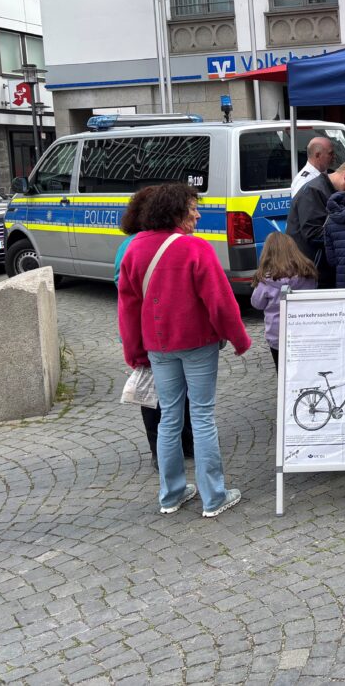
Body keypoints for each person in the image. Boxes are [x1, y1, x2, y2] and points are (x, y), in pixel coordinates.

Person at [118, 183, 252, 518]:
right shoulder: (196, 249)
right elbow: (220, 303)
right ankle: (213, 497)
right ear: (177, 211)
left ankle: (171, 494)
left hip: (158, 346)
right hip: (197, 344)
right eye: (193, 207)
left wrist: (135, 351)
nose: (197, 213)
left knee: (169, 419)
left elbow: (128, 308)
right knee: (203, 416)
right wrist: (239, 339)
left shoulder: (135, 249)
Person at [114, 186, 194, 469]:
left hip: (159, 332)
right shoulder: (133, 245)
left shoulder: (163, 240)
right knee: (153, 397)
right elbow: (124, 289)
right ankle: (159, 451)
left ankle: (184, 443)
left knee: (175, 393)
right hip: (147, 333)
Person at [287, 158, 345, 288]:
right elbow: (312, 233)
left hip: (318, 269)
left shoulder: (325, 189)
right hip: (311, 271)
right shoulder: (314, 191)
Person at [250, 232, 319, 368]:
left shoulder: (266, 280)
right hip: (304, 330)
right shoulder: (308, 273)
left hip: (277, 335)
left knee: (281, 371)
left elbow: (257, 304)